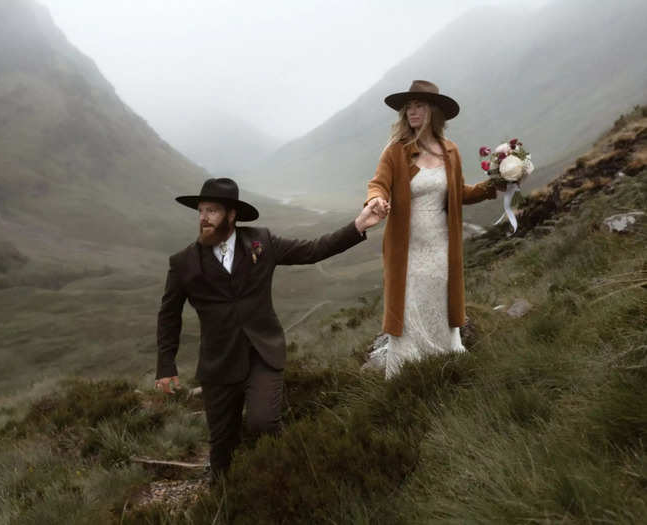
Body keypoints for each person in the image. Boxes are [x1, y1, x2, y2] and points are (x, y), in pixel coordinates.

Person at [155, 177, 386, 478]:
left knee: (263, 423)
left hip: (262, 354)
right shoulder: (183, 262)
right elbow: (169, 314)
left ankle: (287, 477)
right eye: (201, 211)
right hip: (218, 364)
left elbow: (313, 250)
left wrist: (358, 225)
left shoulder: (260, 241)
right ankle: (225, 500)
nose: (203, 218)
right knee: (222, 447)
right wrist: (165, 364)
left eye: (212, 211)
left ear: (231, 215)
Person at [366, 80, 504, 379]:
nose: (413, 111)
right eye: (409, 107)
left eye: (420, 105)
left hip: (442, 246)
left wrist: (492, 186)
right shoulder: (396, 151)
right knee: (409, 309)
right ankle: (407, 379)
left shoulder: (450, 151)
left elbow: (458, 193)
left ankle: (445, 373)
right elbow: (378, 183)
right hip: (408, 250)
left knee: (441, 306)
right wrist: (376, 200)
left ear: (434, 111)